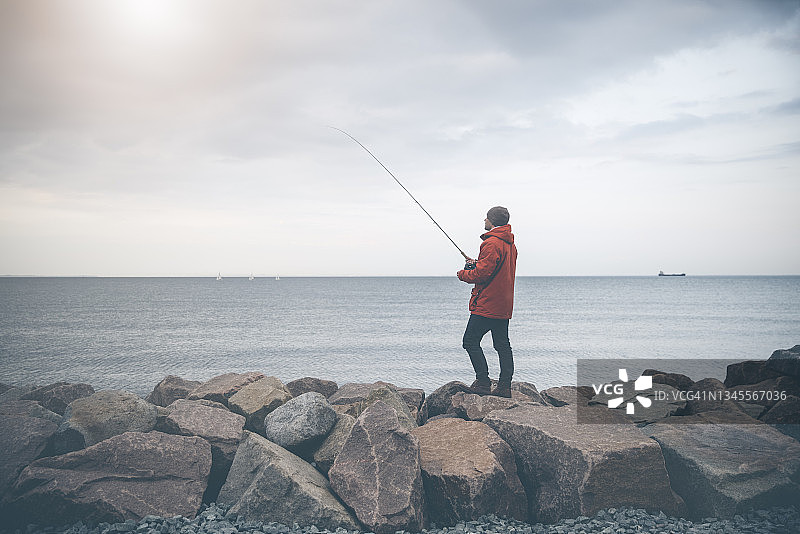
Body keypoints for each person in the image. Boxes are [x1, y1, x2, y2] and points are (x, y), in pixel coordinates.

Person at [456, 206, 518, 398]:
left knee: (470, 341)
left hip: (488, 304)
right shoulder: (510, 244)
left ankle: (483, 382)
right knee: (502, 344)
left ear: (492, 221)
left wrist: (464, 273)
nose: (484, 220)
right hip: (503, 303)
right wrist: (477, 262)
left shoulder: (491, 243)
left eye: (486, 218)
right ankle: (504, 386)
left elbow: (482, 274)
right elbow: (494, 269)